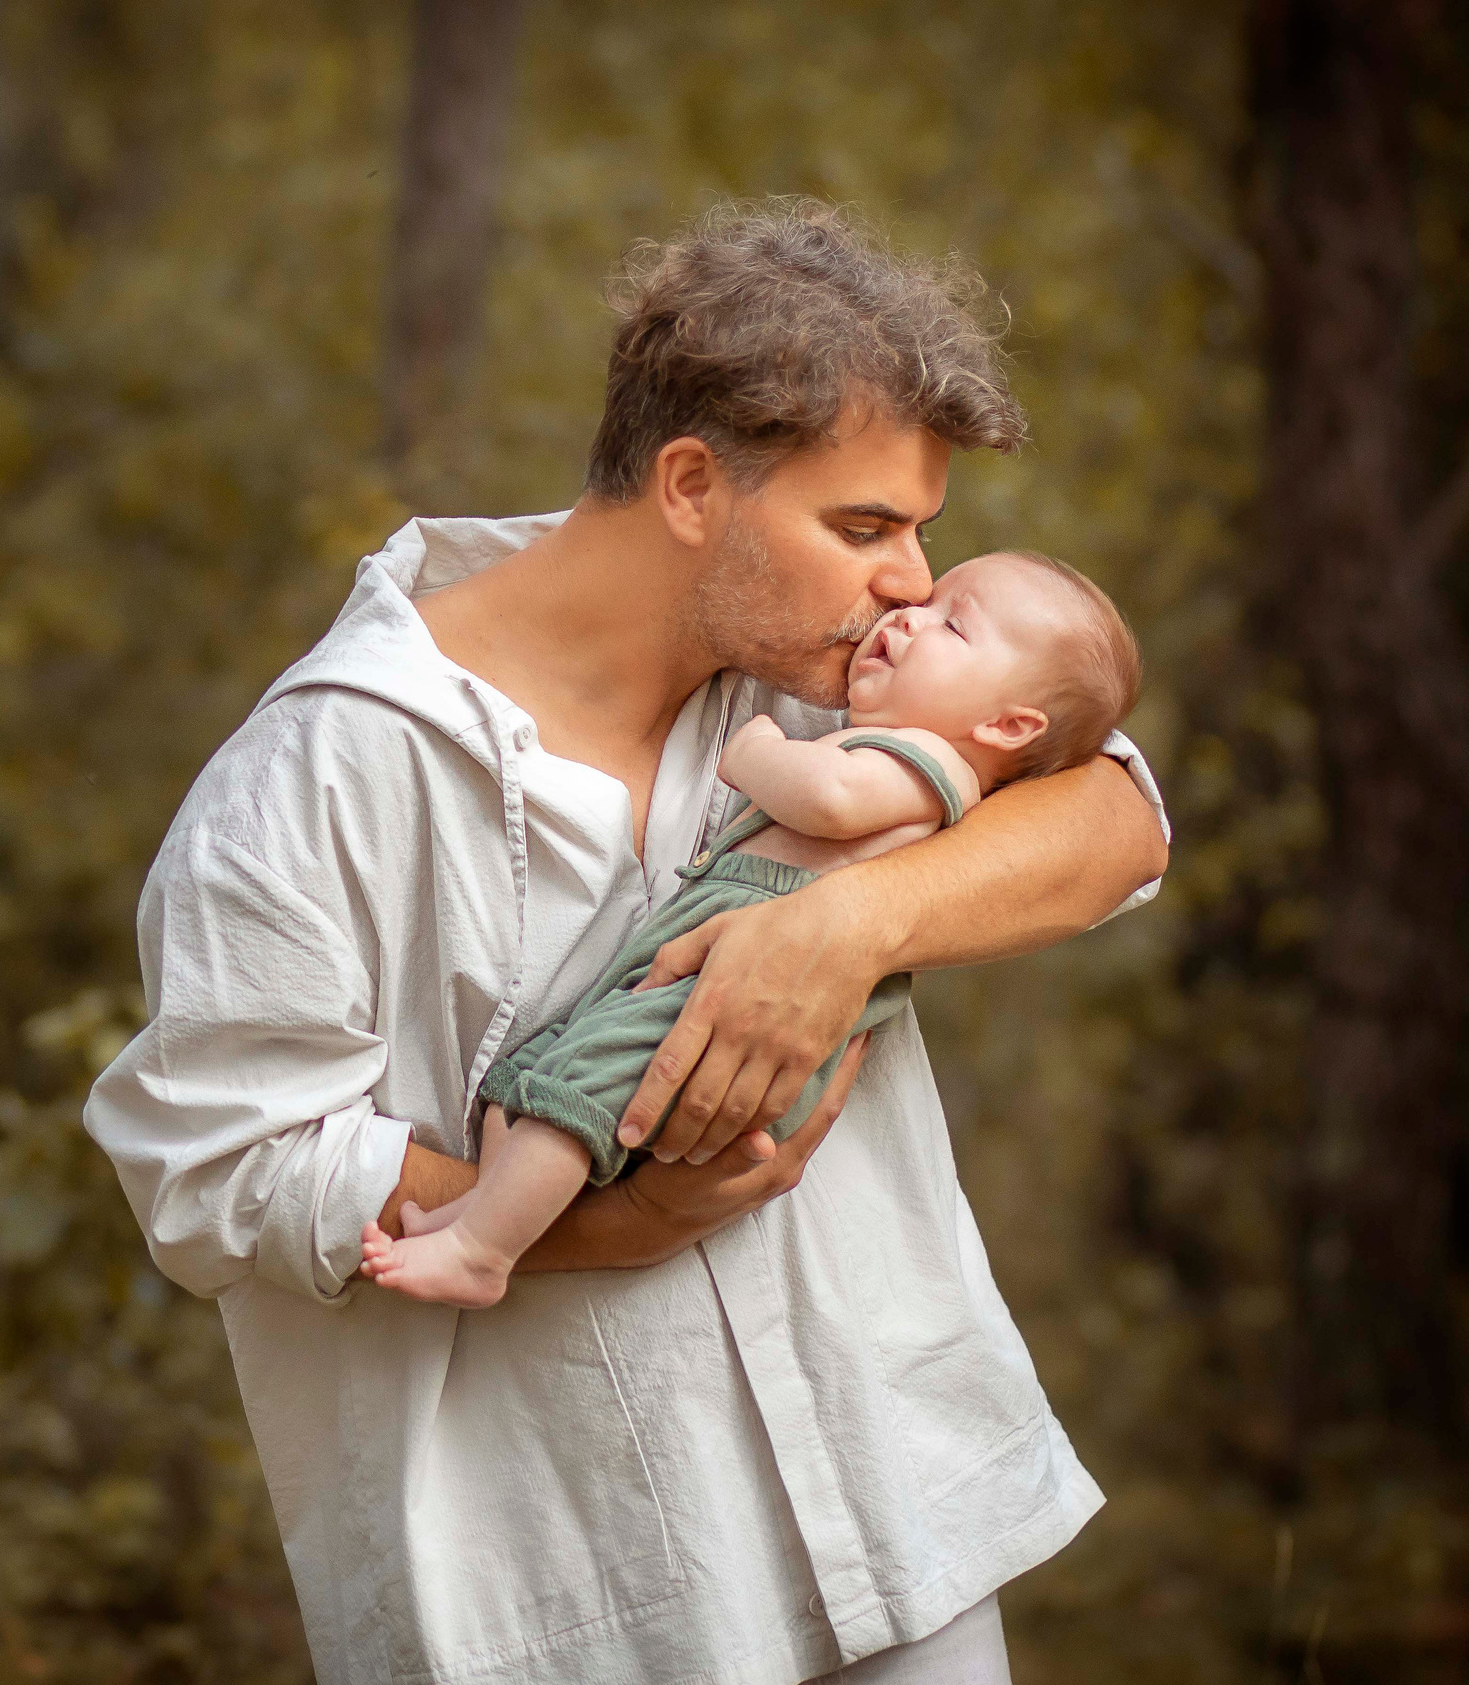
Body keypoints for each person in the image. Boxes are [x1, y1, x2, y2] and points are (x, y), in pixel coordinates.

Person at [83, 200, 1169, 1685]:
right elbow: (215, 1165)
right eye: (866, 526)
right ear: (688, 484)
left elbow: (1118, 821)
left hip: (900, 1534)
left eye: (922, 532)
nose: (913, 581)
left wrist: (844, 923)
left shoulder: (833, 688)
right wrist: (611, 1223)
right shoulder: (324, 772)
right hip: (580, 1597)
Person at [360, 551, 1143, 1309]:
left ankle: (483, 1253)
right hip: (700, 959)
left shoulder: (928, 765)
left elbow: (831, 798)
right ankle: (475, 1215)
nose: (910, 612)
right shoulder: (890, 729)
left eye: (952, 626)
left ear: (1009, 725)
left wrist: (759, 748)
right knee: (528, 1088)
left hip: (726, 999)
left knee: (572, 1099)